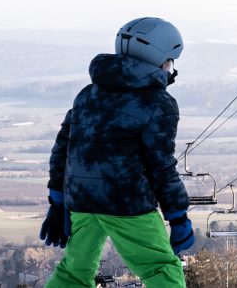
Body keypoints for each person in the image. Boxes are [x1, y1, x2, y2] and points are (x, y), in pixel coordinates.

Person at [44, 17, 191, 288]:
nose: (171, 69)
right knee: (161, 269)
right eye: (170, 61)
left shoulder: (88, 94)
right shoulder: (159, 102)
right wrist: (178, 215)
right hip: (128, 204)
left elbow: (62, 148)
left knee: (74, 273)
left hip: (82, 202)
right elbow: (161, 165)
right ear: (160, 60)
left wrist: (57, 201)